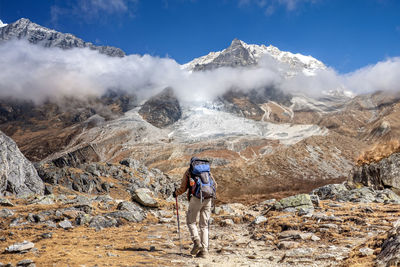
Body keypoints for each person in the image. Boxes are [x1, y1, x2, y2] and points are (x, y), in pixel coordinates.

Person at [173, 157, 217, 258]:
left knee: (191, 222)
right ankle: (204, 251)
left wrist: (175, 193)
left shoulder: (189, 171)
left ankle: (196, 241)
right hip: (208, 198)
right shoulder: (207, 171)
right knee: (204, 225)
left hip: (196, 199)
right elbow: (215, 184)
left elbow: (183, 188)